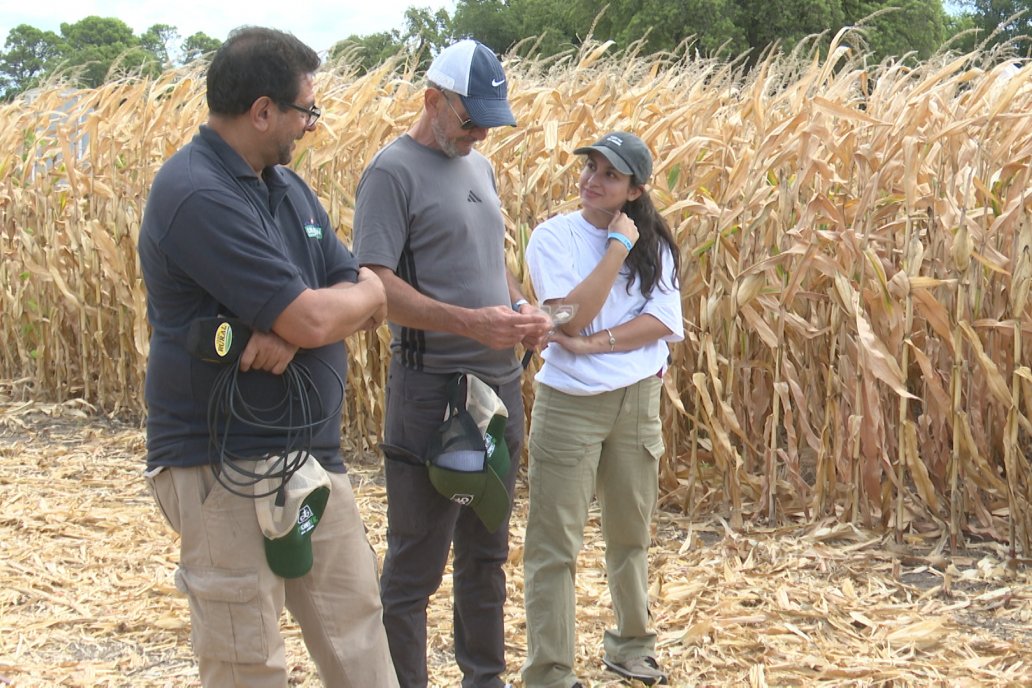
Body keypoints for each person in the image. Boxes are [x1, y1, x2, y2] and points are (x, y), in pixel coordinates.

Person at [138, 27, 398, 688]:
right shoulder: (199, 193)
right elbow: (325, 309)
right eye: (305, 110)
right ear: (261, 111)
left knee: (359, 640)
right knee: (245, 660)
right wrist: (322, 311)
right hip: (222, 464)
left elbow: (362, 300)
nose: (310, 125)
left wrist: (317, 315)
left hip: (308, 455)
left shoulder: (285, 189)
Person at [351, 39, 551, 688]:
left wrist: (521, 312)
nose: (482, 132)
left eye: (492, 120)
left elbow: (492, 262)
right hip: (432, 391)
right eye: (471, 119)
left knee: (486, 555)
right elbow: (376, 287)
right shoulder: (392, 172)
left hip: (499, 387)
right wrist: (470, 322)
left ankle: (483, 678)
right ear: (432, 100)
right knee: (416, 563)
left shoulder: (479, 169)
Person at [521, 131, 684, 688]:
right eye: (590, 167)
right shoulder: (552, 237)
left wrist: (597, 344)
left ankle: (632, 648)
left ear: (635, 189)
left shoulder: (656, 245)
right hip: (568, 405)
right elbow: (569, 319)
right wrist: (616, 247)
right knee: (553, 543)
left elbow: (663, 322)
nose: (592, 179)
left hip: (638, 401)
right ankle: (550, 672)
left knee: (629, 534)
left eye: (610, 174)